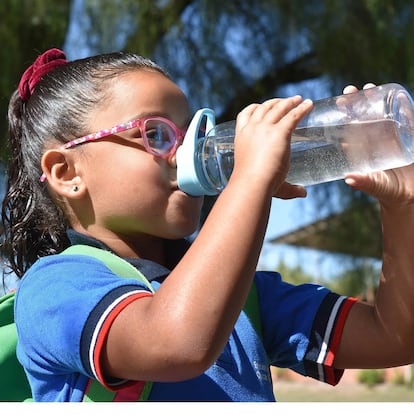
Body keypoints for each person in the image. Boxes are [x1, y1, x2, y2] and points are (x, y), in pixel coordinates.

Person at [2, 48, 414, 402]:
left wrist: (403, 208)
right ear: (66, 172)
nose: (187, 155)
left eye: (192, 134)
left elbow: (394, 336)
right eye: (157, 134)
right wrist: (250, 178)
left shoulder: (244, 295)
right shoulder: (57, 286)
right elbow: (176, 343)